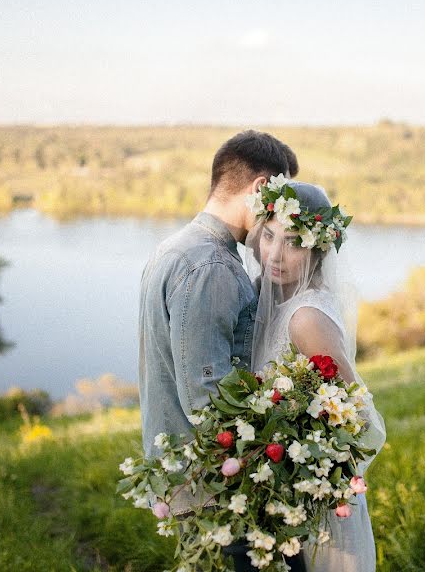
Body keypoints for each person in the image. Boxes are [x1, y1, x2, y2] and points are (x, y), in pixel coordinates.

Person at [137, 130, 297, 517]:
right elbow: (206, 395)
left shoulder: (177, 247)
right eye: (280, 199)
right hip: (208, 488)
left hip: (186, 480)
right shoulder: (210, 266)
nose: (281, 213)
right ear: (260, 187)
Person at [244, 178, 386, 572]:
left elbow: (363, 421)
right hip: (279, 498)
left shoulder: (305, 317)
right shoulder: (272, 298)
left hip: (314, 507)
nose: (274, 253)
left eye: (293, 242)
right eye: (269, 235)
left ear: (318, 249)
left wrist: (309, 473)